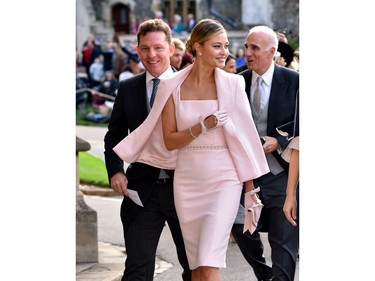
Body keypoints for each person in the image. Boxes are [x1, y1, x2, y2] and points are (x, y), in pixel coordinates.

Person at [112, 19, 269, 281]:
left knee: (208, 265)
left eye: (226, 46)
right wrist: (201, 127)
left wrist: (250, 188)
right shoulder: (172, 86)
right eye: (217, 46)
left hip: (223, 179)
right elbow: (169, 140)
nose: (225, 52)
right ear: (197, 47)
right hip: (186, 181)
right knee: (196, 267)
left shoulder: (232, 84)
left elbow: (244, 138)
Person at [103, 18, 191, 281]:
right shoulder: (128, 87)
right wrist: (115, 170)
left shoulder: (189, 85)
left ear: (171, 49)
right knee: (137, 273)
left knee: (195, 269)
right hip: (142, 192)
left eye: (158, 48)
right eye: (145, 48)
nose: (151, 55)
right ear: (138, 50)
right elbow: (114, 136)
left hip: (185, 189)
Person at [238, 25, 299, 281]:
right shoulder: (236, 82)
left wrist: (279, 142)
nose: (248, 53)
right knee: (238, 228)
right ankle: (265, 275)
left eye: (255, 48)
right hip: (244, 176)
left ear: (272, 52)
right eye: (246, 47)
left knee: (284, 244)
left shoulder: (296, 82)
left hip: (282, 174)